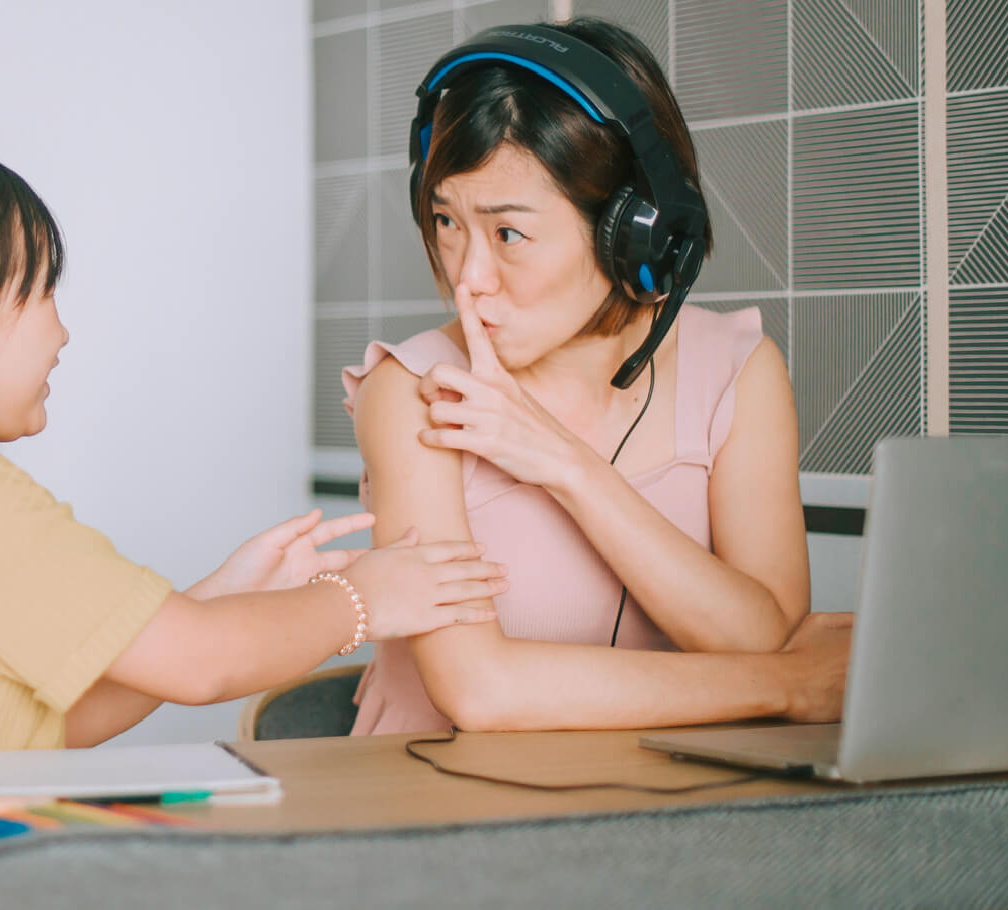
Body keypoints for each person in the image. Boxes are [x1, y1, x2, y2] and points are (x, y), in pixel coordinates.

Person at [0, 132, 508, 751]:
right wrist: (364, 600)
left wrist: (216, 599)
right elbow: (202, 664)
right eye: (36, 291)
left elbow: (49, 727)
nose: (61, 331)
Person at [345, 18, 852, 736]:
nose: (468, 278)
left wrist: (565, 465)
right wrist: (788, 687)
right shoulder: (412, 392)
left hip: (677, 810)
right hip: (440, 813)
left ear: (635, 234)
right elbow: (481, 690)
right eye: (446, 221)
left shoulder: (739, 372)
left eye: (508, 233)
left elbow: (759, 634)